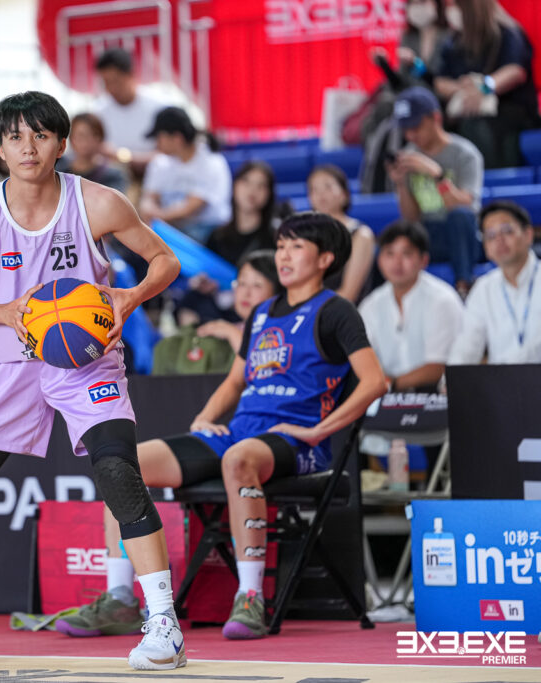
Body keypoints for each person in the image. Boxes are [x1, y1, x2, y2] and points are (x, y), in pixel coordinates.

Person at [0, 91, 183, 670]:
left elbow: (165, 261)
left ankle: (163, 625)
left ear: (61, 143)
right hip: (6, 366)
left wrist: (130, 295)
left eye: (40, 135)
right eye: (15, 137)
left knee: (118, 472)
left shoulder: (98, 203)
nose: (28, 147)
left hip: (85, 361)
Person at [61, 213, 387, 642]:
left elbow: (375, 381)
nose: (284, 255)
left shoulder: (336, 311)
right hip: (240, 436)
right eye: (281, 246)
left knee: (238, 459)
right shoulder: (262, 313)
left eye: (297, 247)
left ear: (325, 259)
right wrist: (205, 418)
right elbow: (235, 382)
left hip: (295, 441)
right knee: (121, 463)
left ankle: (250, 597)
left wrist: (319, 431)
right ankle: (120, 597)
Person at [388, 86, 483, 294]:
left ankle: (464, 287)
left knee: (459, 218)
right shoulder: (408, 157)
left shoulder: (465, 154)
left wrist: (436, 175)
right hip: (428, 235)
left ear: (436, 118)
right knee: (392, 242)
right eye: (405, 129)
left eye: (416, 126)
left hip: (463, 236)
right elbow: (411, 218)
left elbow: (465, 206)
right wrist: (401, 184)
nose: (411, 135)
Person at [359, 221, 464, 391]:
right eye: (389, 253)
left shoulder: (442, 300)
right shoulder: (370, 305)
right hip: (384, 394)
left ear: (424, 260)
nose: (397, 262)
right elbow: (363, 361)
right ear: (379, 260)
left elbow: (440, 366)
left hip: (438, 393)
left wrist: (390, 384)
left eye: (406, 254)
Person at [434, 0, 539, 168]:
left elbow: (515, 71)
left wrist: (483, 87)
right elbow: (440, 80)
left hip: (508, 114)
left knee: (478, 128)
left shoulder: (507, 33)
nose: (451, 11)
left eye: (454, 6)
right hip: (464, 111)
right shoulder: (453, 41)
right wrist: (461, 89)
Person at [176, 161, 285, 325]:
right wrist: (204, 283)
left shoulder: (275, 237)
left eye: (260, 185)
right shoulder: (218, 236)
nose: (252, 190)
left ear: (269, 193)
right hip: (220, 304)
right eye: (246, 182)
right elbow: (206, 272)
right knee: (188, 303)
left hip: (256, 307)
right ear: (235, 186)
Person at [152, 250, 282, 374]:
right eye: (241, 283)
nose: (246, 293)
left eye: (257, 285)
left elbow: (259, 373)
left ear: (278, 292)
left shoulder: (279, 334)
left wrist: (231, 333)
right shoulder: (223, 330)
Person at [448, 200, 541, 364]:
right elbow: (466, 348)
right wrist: (451, 376)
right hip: (501, 379)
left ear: (528, 235)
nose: (499, 240)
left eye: (507, 231)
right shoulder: (483, 288)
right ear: (485, 247)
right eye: (490, 235)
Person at [139, 107, 231, 244]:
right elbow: (149, 197)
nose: (156, 143)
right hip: (169, 228)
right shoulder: (160, 162)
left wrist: (158, 216)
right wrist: (148, 210)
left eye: (159, 138)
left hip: (207, 230)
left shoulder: (211, 161)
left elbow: (193, 207)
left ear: (177, 138)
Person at [306, 165, 376, 303]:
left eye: (328, 187)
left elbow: (349, 294)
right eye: (314, 189)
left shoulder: (361, 234)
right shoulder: (306, 236)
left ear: (344, 194)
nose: (321, 194)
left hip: (345, 310)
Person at [92, 48, 166, 179]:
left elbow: (168, 153)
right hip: (111, 179)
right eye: (106, 83)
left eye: (116, 81)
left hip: (156, 177)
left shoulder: (158, 107)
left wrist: (123, 157)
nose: (112, 88)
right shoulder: (97, 111)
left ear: (131, 75)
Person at [56, 113, 128, 192]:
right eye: (80, 135)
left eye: (93, 135)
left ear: (100, 138)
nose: (85, 141)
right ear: (71, 138)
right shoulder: (58, 170)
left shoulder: (113, 176)